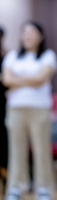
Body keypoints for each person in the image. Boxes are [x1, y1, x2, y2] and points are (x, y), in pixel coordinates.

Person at [2, 21, 57, 200]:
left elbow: (41, 79)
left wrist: (17, 80)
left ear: (40, 36)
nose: (28, 35)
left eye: (32, 32)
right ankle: (16, 188)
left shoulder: (48, 56)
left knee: (41, 149)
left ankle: (44, 188)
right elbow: (6, 80)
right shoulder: (12, 56)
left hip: (39, 108)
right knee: (16, 150)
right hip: (15, 108)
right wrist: (29, 80)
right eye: (24, 32)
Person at [0, 27, 8, 183]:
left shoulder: (6, 57)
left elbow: (7, 82)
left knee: (3, 144)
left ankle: (6, 179)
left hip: (3, 105)